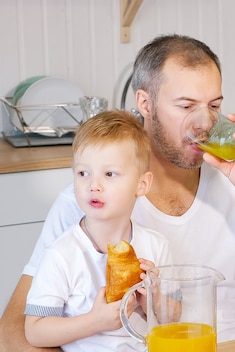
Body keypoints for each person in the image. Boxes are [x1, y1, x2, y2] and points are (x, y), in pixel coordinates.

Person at [0, 34, 235, 351]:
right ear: (145, 103)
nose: (204, 123)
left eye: (214, 106)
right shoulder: (88, 200)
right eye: (186, 106)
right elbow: (14, 334)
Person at [23, 111, 171, 351]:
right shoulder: (61, 254)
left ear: (142, 184)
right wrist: (94, 322)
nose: (94, 185)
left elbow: (173, 319)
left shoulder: (157, 246)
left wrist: (152, 300)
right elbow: (35, 331)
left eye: (109, 174)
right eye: (83, 173)